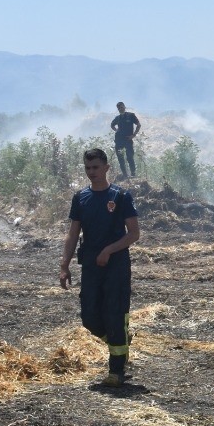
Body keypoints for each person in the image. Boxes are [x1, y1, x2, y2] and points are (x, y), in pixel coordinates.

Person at [60, 148, 141, 387]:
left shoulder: (121, 196)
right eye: (87, 168)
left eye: (95, 167)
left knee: (114, 314)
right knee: (89, 317)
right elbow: (73, 234)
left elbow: (134, 234)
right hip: (91, 266)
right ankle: (121, 340)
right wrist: (64, 264)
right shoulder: (80, 198)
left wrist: (109, 250)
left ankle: (116, 371)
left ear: (106, 167)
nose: (91, 172)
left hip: (116, 266)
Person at [110, 101, 141, 179]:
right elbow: (112, 125)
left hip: (128, 140)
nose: (120, 109)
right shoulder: (117, 118)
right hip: (119, 140)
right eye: (119, 108)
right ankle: (125, 175)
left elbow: (138, 125)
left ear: (124, 107)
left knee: (130, 157)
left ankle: (133, 174)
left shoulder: (131, 115)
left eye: (121, 107)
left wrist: (134, 135)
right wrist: (116, 130)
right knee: (120, 158)